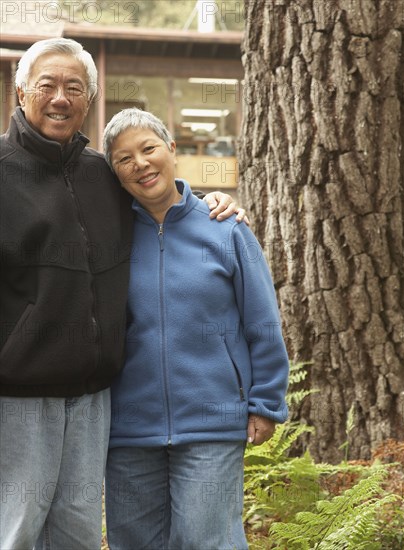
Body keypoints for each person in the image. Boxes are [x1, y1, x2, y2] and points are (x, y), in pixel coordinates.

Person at [0, 38, 242, 549]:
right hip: (17, 399)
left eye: (74, 87)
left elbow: (161, 206)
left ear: (89, 99)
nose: (60, 98)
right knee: (16, 530)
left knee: (80, 533)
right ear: (21, 93)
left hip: (94, 399)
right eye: (47, 85)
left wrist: (215, 204)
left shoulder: (102, 175)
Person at [102, 108, 289, 549]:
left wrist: (266, 401)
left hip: (213, 420)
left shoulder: (225, 227)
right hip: (129, 427)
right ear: (115, 174)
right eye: (124, 159)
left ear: (171, 149)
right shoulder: (110, 235)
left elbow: (262, 319)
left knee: (209, 542)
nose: (141, 164)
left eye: (148, 149)